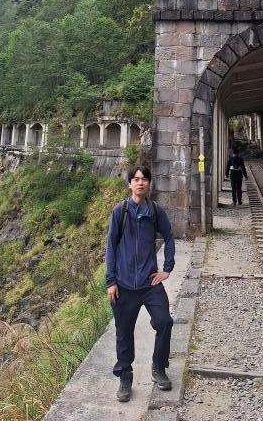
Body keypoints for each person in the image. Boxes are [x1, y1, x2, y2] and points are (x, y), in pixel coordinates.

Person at [105, 165, 175, 403]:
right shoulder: (120, 211)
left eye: (144, 179)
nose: (140, 183)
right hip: (124, 285)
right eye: (135, 179)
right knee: (124, 333)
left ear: (149, 183)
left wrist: (167, 268)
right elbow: (111, 247)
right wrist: (111, 281)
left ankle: (159, 367)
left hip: (149, 283)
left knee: (164, 322)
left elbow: (169, 236)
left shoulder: (155, 211)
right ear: (129, 184)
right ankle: (125, 377)